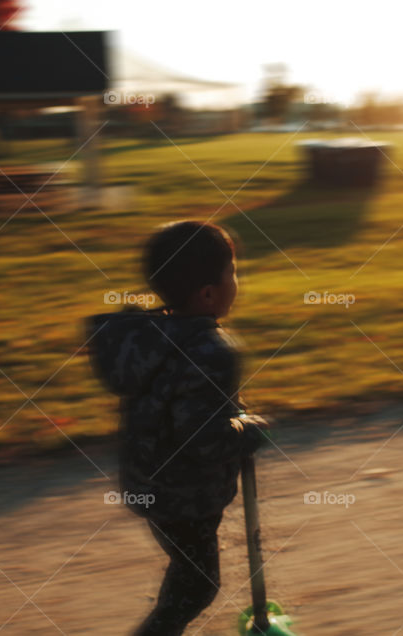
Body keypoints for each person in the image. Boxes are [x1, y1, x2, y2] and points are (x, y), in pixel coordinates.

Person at [87, 221, 268, 635]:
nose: (237, 280)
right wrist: (249, 430)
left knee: (187, 571)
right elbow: (203, 439)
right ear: (208, 294)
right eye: (232, 272)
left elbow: (178, 405)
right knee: (198, 585)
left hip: (147, 481)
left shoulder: (147, 338)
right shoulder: (212, 350)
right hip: (186, 494)